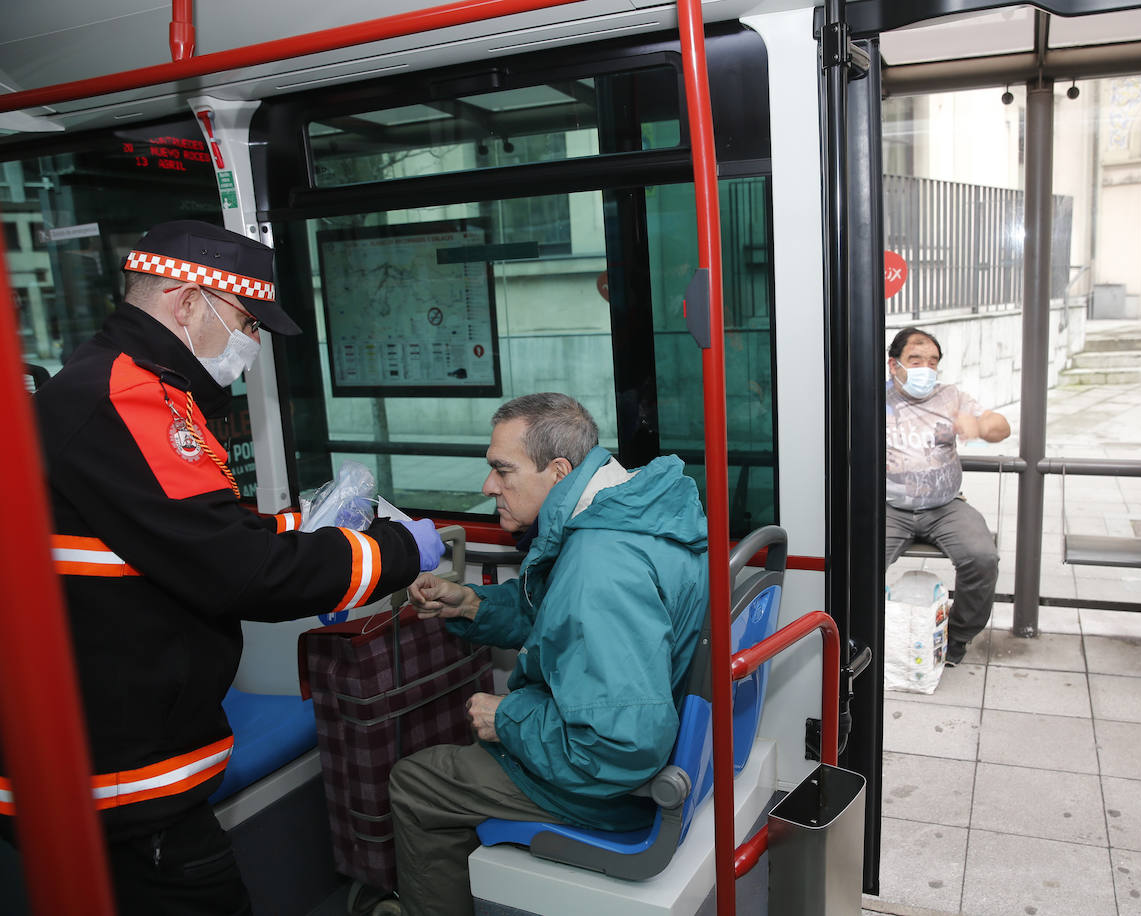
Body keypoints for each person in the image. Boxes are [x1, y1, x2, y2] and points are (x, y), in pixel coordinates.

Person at [0, 220, 444, 914]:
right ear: (185, 302)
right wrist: (397, 552)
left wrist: (310, 525)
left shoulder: (134, 387)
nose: (252, 343)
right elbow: (244, 573)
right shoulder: (129, 398)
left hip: (115, 749)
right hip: (121, 778)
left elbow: (199, 535)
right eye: (245, 320)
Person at [387, 393, 708, 916]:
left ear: (558, 471)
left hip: (611, 788)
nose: (488, 486)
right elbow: (563, 621)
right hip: (637, 740)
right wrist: (471, 605)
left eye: (502, 470)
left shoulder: (600, 566)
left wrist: (508, 718)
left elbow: (618, 748)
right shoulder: (627, 511)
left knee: (417, 782)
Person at [884, 326, 1010, 667]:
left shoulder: (951, 397)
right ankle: (867, 632)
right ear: (893, 364)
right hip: (889, 507)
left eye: (933, 361)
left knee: (982, 558)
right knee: (856, 559)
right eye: (916, 359)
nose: (926, 368)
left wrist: (981, 427)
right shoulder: (872, 399)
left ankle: (956, 638)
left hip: (945, 506)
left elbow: (1000, 425)